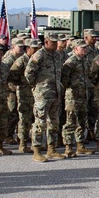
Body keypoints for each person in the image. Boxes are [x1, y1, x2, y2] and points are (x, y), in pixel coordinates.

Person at [24, 31, 65, 162]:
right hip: (43, 94)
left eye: (56, 42)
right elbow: (28, 73)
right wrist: (37, 87)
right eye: (52, 42)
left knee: (54, 122)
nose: (55, 44)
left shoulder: (57, 55)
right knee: (40, 122)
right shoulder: (39, 55)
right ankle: (36, 150)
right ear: (46, 42)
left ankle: (51, 149)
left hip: (55, 93)